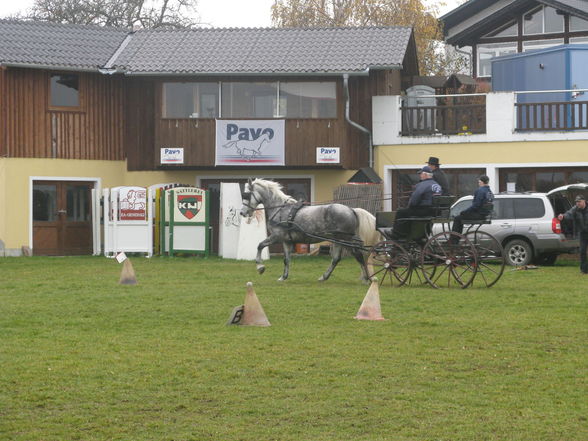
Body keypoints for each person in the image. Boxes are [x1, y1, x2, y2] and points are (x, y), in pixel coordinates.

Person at [391, 166, 442, 241]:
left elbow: (414, 200)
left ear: (425, 175)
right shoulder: (437, 185)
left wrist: (410, 206)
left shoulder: (422, 185)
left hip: (423, 211)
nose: (420, 176)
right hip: (434, 212)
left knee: (400, 212)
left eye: (421, 174)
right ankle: (421, 235)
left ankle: (396, 234)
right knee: (407, 212)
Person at [558, 194, 588, 274]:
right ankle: (583, 270)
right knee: (582, 251)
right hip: (583, 234)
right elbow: (569, 213)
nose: (578, 203)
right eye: (576, 202)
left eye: (579, 201)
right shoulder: (575, 209)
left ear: (584, 201)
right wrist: (563, 216)